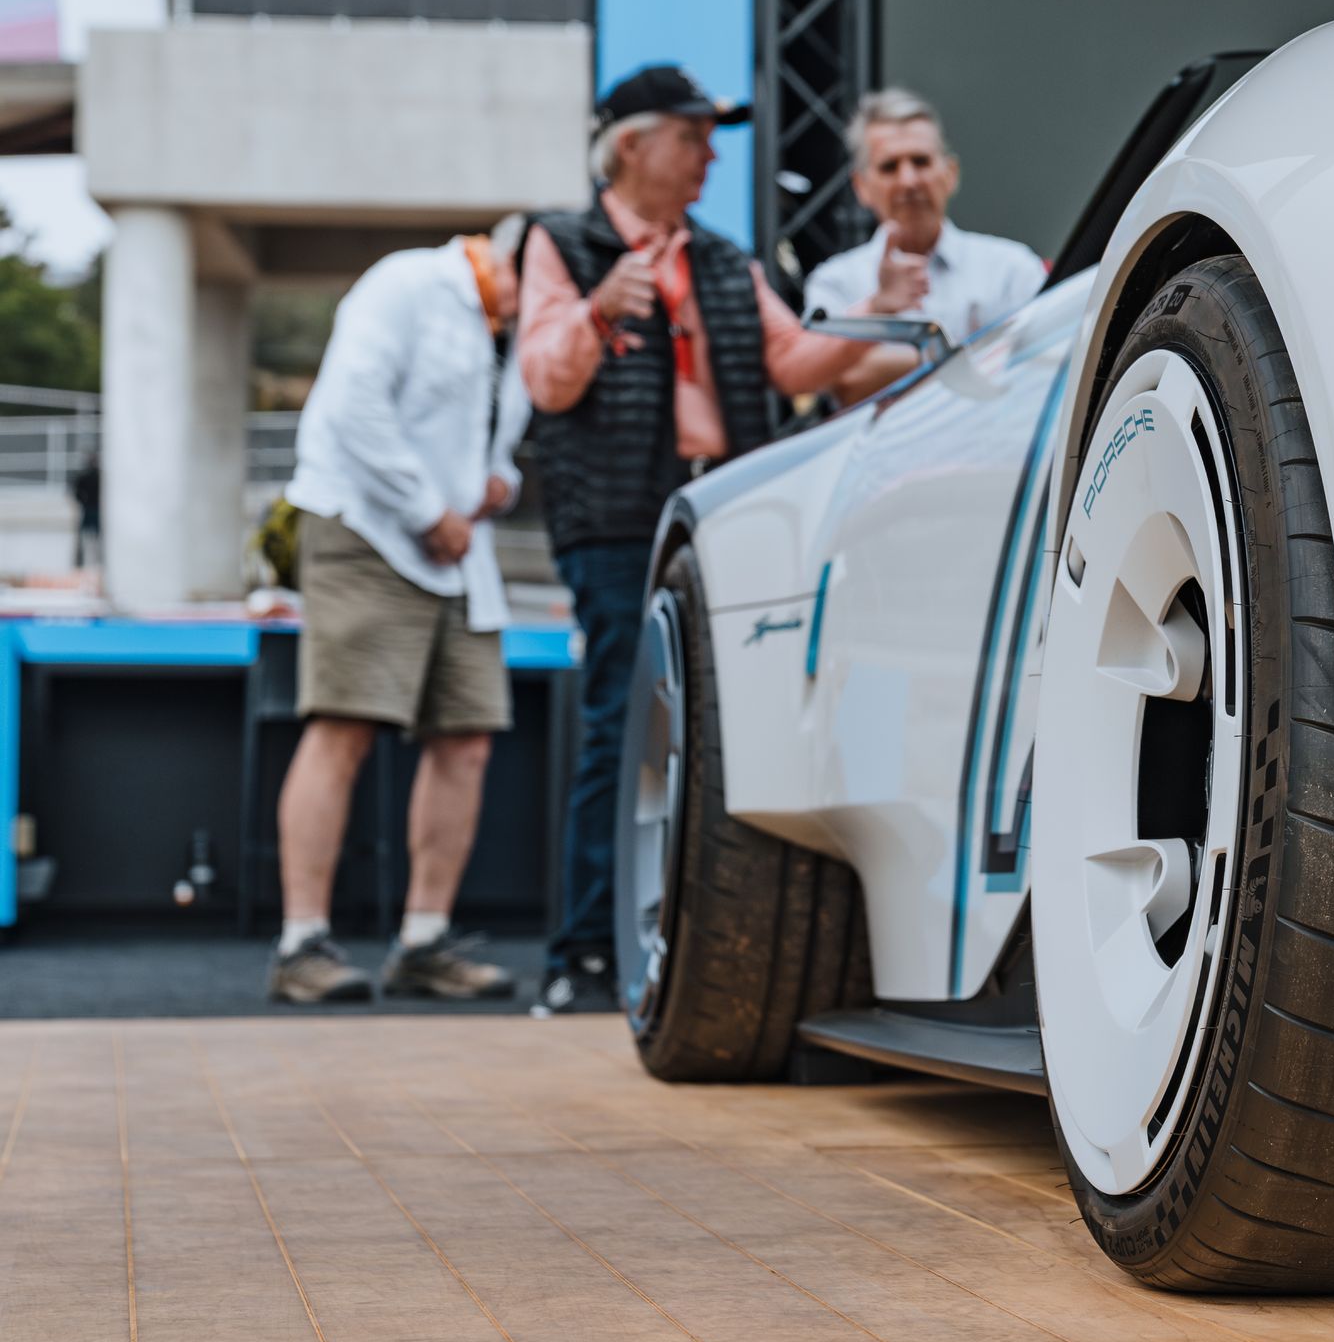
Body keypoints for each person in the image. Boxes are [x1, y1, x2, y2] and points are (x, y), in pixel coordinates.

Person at [520, 65, 920, 1013]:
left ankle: (694, 943)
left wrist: (878, 315)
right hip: (618, 517)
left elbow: (790, 360)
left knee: (718, 725)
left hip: (723, 516)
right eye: (693, 137)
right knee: (622, 723)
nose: (709, 156)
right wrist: (597, 310)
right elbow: (545, 379)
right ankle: (584, 947)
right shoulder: (563, 244)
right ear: (632, 147)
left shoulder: (721, 256)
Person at [267, 221, 530, 1006]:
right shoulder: (408, 282)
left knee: (468, 738)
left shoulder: (510, 327)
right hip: (369, 528)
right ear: (514, 256)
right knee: (343, 723)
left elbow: (496, 441)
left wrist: (499, 481)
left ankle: (423, 941)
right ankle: (300, 943)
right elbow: (353, 407)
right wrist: (426, 508)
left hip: (458, 552)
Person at [802, 88, 1046, 346]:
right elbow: (830, 374)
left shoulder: (1011, 270)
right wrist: (877, 307)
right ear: (861, 187)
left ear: (950, 174)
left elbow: (1044, 362)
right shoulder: (835, 282)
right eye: (889, 167)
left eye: (920, 161)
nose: (908, 181)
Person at [68, 450, 99, 572]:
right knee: (84, 539)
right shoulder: (88, 476)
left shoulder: (90, 476)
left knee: (91, 539)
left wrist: (83, 501)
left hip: (92, 509)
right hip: (90, 509)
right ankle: (79, 564)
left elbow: (75, 491)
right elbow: (75, 491)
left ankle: (81, 563)